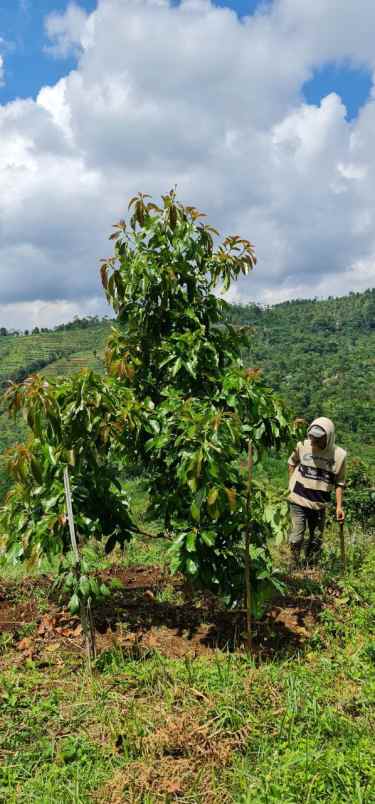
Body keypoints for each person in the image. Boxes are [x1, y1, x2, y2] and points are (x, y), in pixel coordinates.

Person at [288, 417, 346, 565]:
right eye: (312, 437)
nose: (313, 441)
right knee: (296, 537)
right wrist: (290, 485)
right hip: (298, 500)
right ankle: (293, 566)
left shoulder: (339, 456)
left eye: (318, 439)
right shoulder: (302, 445)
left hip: (319, 504)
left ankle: (311, 565)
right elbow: (292, 462)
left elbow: (339, 483)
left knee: (316, 539)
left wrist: (339, 507)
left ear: (329, 437)